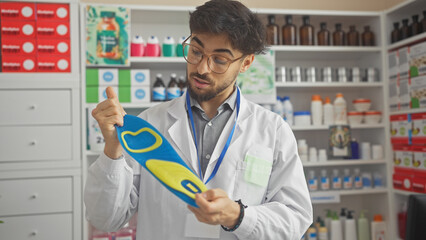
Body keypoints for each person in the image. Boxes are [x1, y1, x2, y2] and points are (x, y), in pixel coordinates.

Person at [84, 0, 313, 239]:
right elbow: (106, 219)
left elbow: (295, 220)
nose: (202, 68)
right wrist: (113, 149)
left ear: (245, 63)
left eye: (220, 60)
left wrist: (238, 216)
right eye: (196, 51)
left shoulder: (273, 130)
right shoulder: (150, 122)